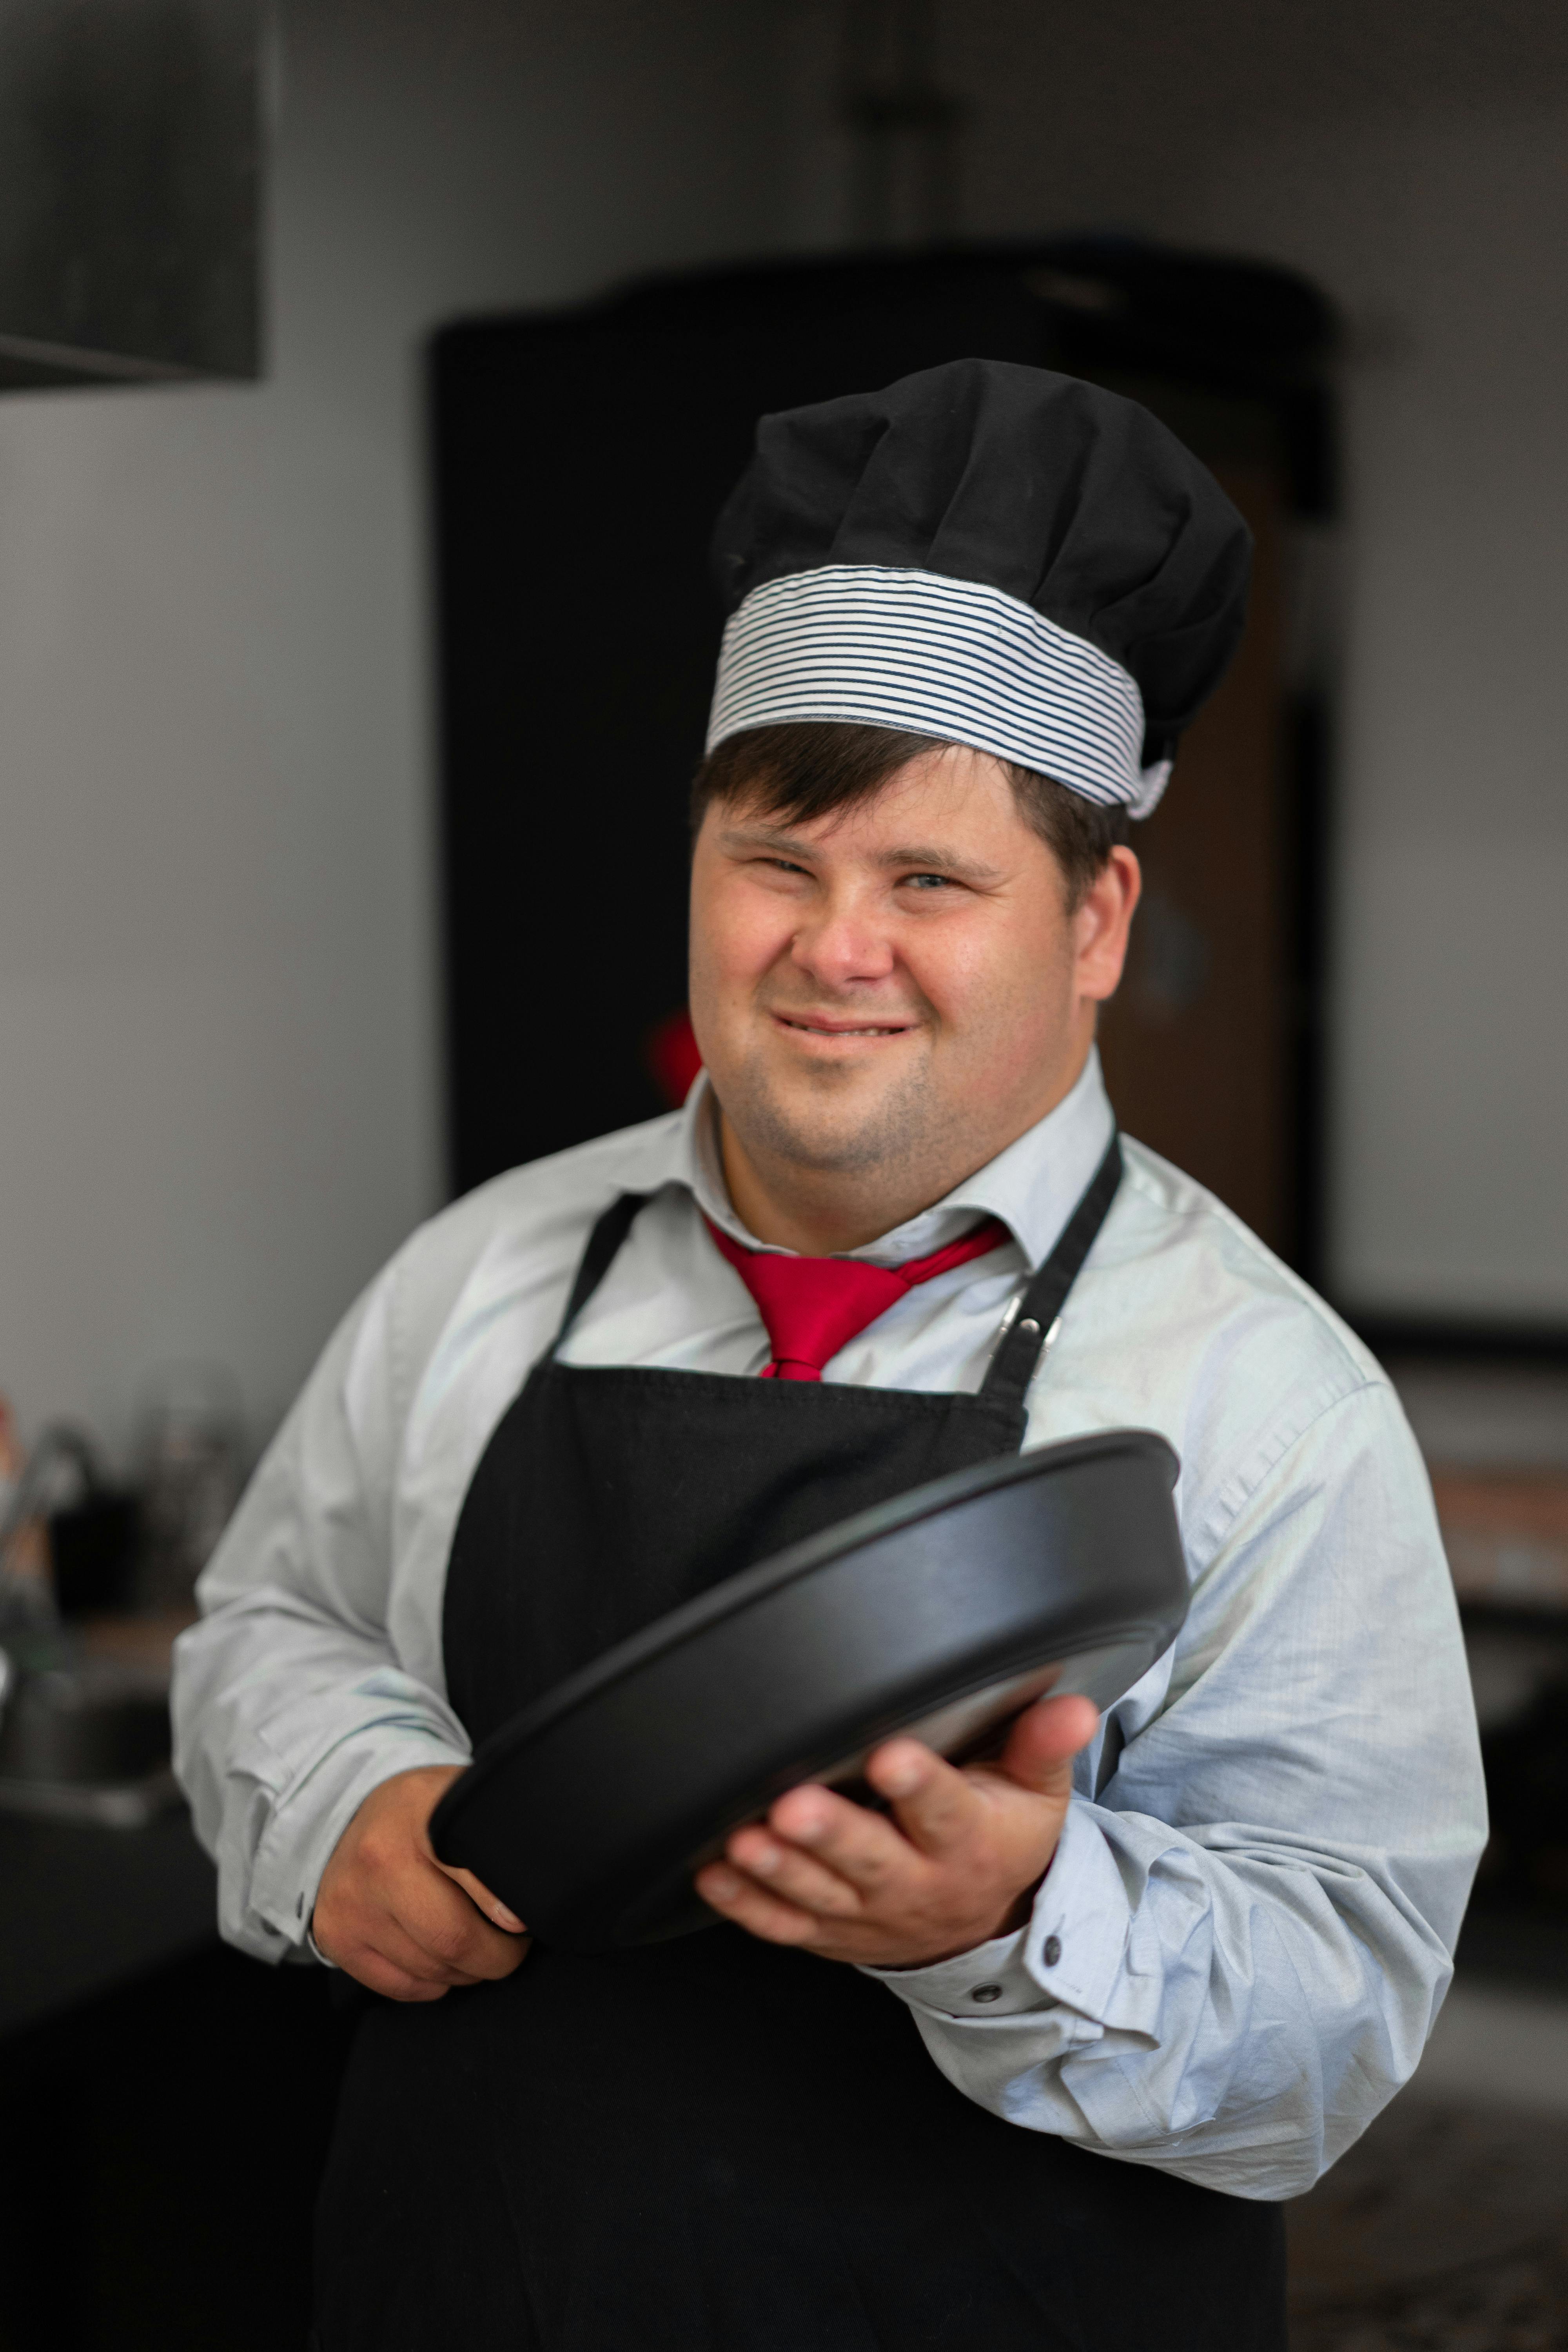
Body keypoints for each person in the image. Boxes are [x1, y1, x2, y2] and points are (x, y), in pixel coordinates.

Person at [172, 359, 1486, 2352]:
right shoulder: (491, 1269)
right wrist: (344, 1796)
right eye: (775, 861)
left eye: (929, 881)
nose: (829, 948)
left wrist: (1010, 1918)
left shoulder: (1261, 1399)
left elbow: (1335, 2028)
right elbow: (267, 1619)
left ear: (1099, 916)